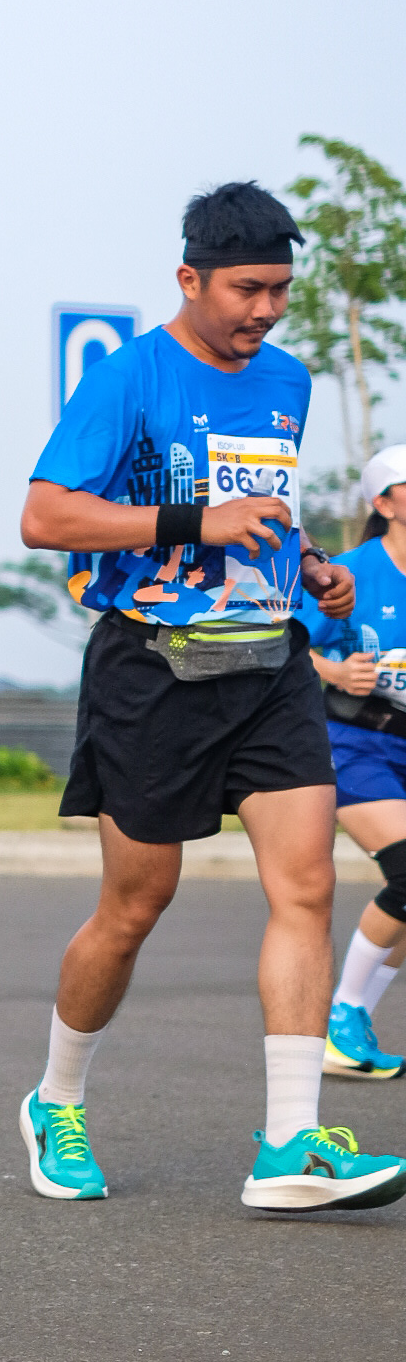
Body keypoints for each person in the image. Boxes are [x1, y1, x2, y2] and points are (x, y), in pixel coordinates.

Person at [17, 181, 404, 1214]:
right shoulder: (128, 377)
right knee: (134, 905)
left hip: (269, 667)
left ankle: (288, 1145)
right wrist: (194, 523)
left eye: (279, 290)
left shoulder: (287, 380)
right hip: (152, 670)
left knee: (307, 888)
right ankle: (56, 1099)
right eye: (245, 290)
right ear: (188, 278)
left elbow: (263, 510)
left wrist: (312, 565)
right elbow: (45, 517)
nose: (265, 310)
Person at [298, 443, 406, 1080]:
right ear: (384, 504)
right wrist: (337, 672)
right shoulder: (348, 573)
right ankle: (343, 1015)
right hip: (356, 743)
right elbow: (291, 644)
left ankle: (351, 1022)